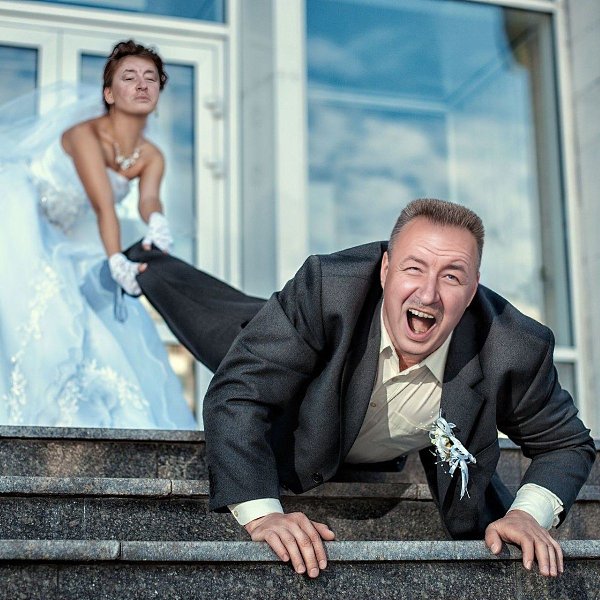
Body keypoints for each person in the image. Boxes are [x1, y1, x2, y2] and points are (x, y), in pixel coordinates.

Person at [129, 198, 595, 578]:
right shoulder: (327, 290)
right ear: (385, 269)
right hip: (296, 369)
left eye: (452, 276)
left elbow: (567, 444)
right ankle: (149, 262)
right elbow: (238, 395)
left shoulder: (513, 347)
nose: (428, 294)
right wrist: (264, 513)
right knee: (209, 314)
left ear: (473, 291)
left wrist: (526, 514)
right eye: (414, 268)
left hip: (365, 438)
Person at [0, 40, 196, 429]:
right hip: (22, 216)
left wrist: (157, 220)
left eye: (151, 78)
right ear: (108, 93)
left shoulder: (151, 155)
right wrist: (116, 259)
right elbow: (104, 204)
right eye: (129, 77)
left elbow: (148, 198)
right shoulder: (84, 134)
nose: (142, 84)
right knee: (50, 312)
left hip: (73, 234)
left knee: (107, 323)